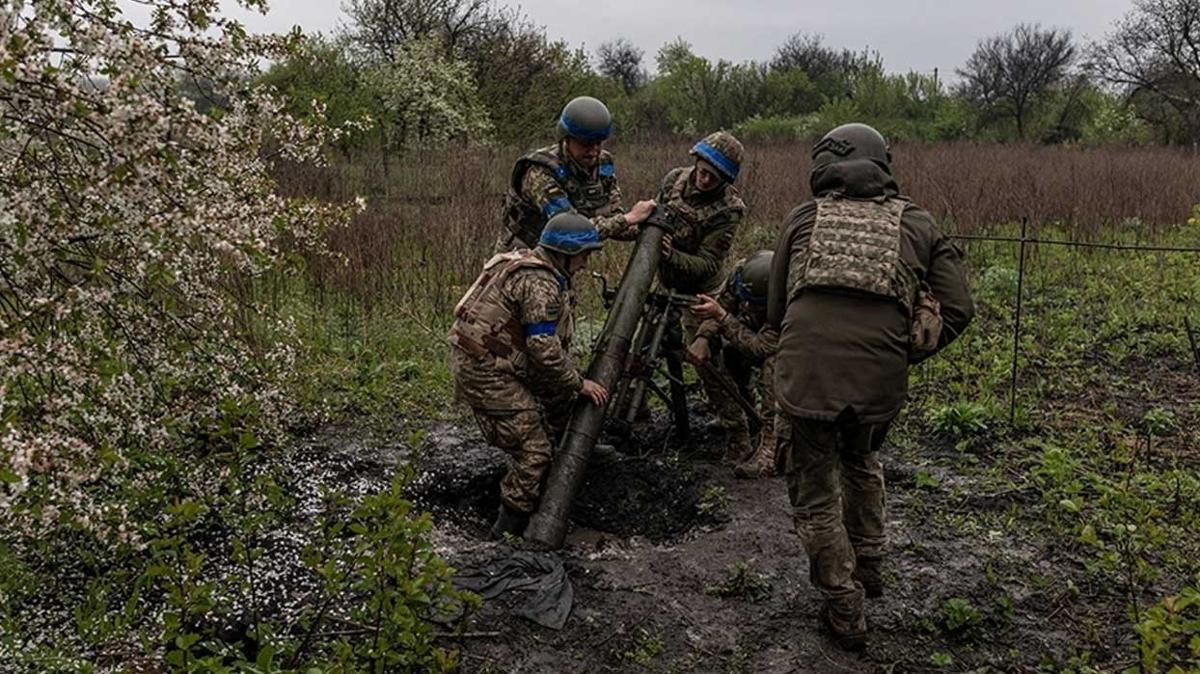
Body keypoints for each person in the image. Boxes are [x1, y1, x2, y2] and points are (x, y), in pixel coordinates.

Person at [766, 123, 974, 650]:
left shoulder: (803, 217)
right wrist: (903, 352)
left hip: (805, 376)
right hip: (879, 379)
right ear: (882, 161)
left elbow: (775, 312)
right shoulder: (916, 221)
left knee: (813, 490)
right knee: (860, 459)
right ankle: (871, 564)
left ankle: (842, 602)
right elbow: (959, 308)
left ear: (824, 163)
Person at [449, 213, 610, 539]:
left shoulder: (525, 260)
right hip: (488, 372)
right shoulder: (540, 283)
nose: (585, 262)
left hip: (488, 360)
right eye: (584, 254)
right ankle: (505, 533)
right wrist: (580, 383)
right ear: (565, 252)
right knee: (535, 452)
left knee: (554, 418)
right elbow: (543, 349)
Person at [638, 131, 748, 460]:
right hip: (665, 282)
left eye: (715, 174)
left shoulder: (729, 210)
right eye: (703, 168)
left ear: (725, 178)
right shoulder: (673, 180)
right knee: (639, 348)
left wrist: (672, 256)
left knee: (705, 360)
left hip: (703, 289)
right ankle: (633, 416)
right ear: (695, 160)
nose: (705, 177)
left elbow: (707, 263)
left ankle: (737, 430)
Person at [495, 96, 656, 253]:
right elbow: (568, 232)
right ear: (567, 139)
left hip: (562, 258)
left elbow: (614, 220)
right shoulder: (540, 172)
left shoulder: (603, 164)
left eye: (598, 143)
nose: (594, 151)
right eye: (586, 144)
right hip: (521, 257)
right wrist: (630, 218)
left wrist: (648, 229)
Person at [687, 251, 783, 478]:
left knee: (774, 365)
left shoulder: (788, 298)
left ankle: (771, 443)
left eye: (755, 303)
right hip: (749, 334)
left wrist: (723, 318)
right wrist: (703, 337)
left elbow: (762, 347)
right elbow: (722, 305)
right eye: (745, 299)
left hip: (790, 354)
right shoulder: (741, 272)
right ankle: (739, 426)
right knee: (723, 353)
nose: (747, 304)